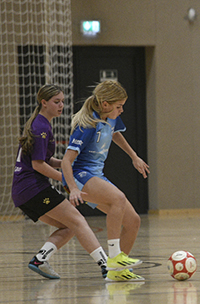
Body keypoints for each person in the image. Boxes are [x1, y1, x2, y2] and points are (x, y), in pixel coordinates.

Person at [12, 84, 109, 279]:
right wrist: (67, 179)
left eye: (63, 101)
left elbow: (46, 160)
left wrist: (67, 165)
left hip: (23, 192)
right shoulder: (40, 127)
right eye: (56, 102)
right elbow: (38, 165)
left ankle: (40, 259)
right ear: (44, 102)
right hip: (33, 188)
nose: (61, 105)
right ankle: (107, 266)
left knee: (69, 226)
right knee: (79, 221)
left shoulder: (42, 124)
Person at [61, 80, 149, 282]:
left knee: (133, 221)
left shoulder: (111, 117)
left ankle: (116, 273)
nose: (122, 110)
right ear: (105, 104)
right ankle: (114, 258)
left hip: (96, 175)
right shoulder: (87, 125)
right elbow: (66, 160)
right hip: (80, 175)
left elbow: (116, 134)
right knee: (118, 198)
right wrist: (73, 188)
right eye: (119, 106)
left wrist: (134, 156)